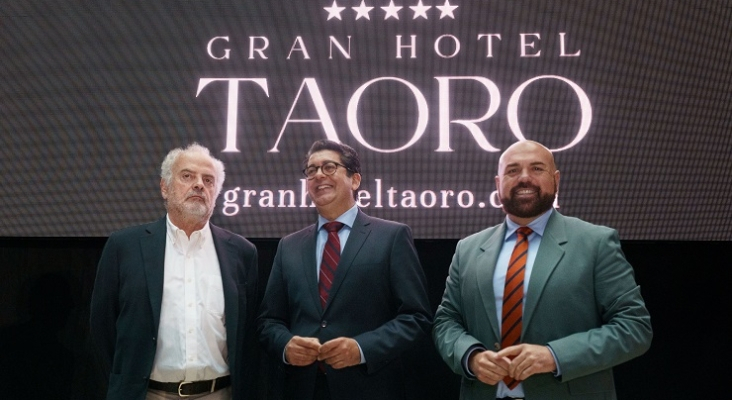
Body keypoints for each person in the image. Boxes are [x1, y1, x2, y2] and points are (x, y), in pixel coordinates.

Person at [432, 140, 652, 400]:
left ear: (556, 180)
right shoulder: (468, 249)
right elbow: (446, 322)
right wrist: (471, 356)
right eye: (512, 171)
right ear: (497, 183)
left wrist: (554, 356)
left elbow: (634, 328)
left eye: (537, 168)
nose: (524, 178)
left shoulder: (596, 243)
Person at [257, 139, 433, 400]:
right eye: (311, 170)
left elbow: (416, 317)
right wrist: (286, 345)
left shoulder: (392, 237)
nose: (318, 175)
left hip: (369, 388)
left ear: (355, 180)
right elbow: (269, 321)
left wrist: (362, 348)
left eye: (329, 167)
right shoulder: (288, 246)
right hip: (302, 389)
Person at [90, 143, 259, 400]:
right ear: (164, 188)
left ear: (216, 192)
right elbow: (102, 327)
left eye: (208, 180)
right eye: (187, 176)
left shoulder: (242, 253)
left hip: (220, 393)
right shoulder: (124, 246)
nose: (199, 185)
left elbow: (248, 335)